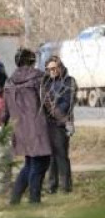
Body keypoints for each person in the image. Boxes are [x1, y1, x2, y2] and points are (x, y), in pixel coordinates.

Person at [0, 48, 51, 204]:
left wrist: (2, 124)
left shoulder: (9, 82)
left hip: (20, 130)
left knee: (30, 163)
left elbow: (5, 109)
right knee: (40, 163)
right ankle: (34, 201)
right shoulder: (39, 78)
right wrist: (63, 119)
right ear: (32, 61)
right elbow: (49, 103)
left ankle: (14, 199)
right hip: (38, 129)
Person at [40, 55, 77, 194]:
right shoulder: (46, 82)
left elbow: (68, 102)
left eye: (54, 68)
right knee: (51, 156)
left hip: (61, 123)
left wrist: (56, 112)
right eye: (49, 69)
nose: (52, 71)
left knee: (61, 155)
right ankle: (52, 186)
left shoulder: (69, 81)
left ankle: (65, 186)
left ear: (60, 67)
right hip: (48, 124)